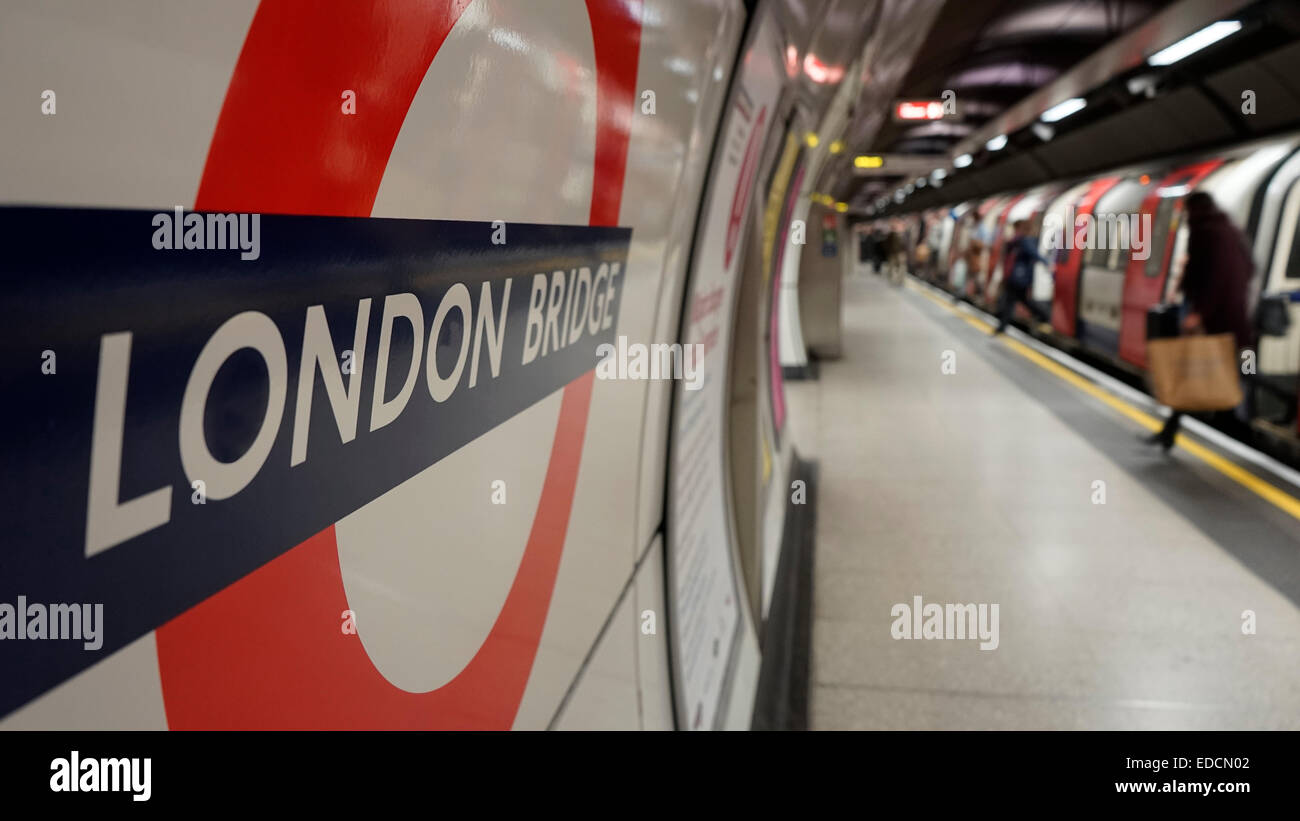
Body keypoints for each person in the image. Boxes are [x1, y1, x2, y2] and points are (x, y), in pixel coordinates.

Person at [1144, 191, 1254, 451]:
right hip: (1232, 314)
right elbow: (1249, 268)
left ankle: (1240, 429)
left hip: (1213, 317)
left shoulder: (1203, 231)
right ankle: (1173, 430)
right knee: (1211, 369)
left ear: (1193, 209)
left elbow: (1212, 275)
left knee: (1196, 367)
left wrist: (1199, 312)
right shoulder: (1229, 229)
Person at [993, 219, 1051, 334]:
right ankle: (1043, 316)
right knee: (1014, 300)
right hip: (1017, 276)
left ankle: (1044, 315)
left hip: (1018, 277)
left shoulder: (1023, 240)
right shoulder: (1019, 240)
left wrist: (1046, 263)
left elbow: (1033, 253)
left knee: (1014, 301)